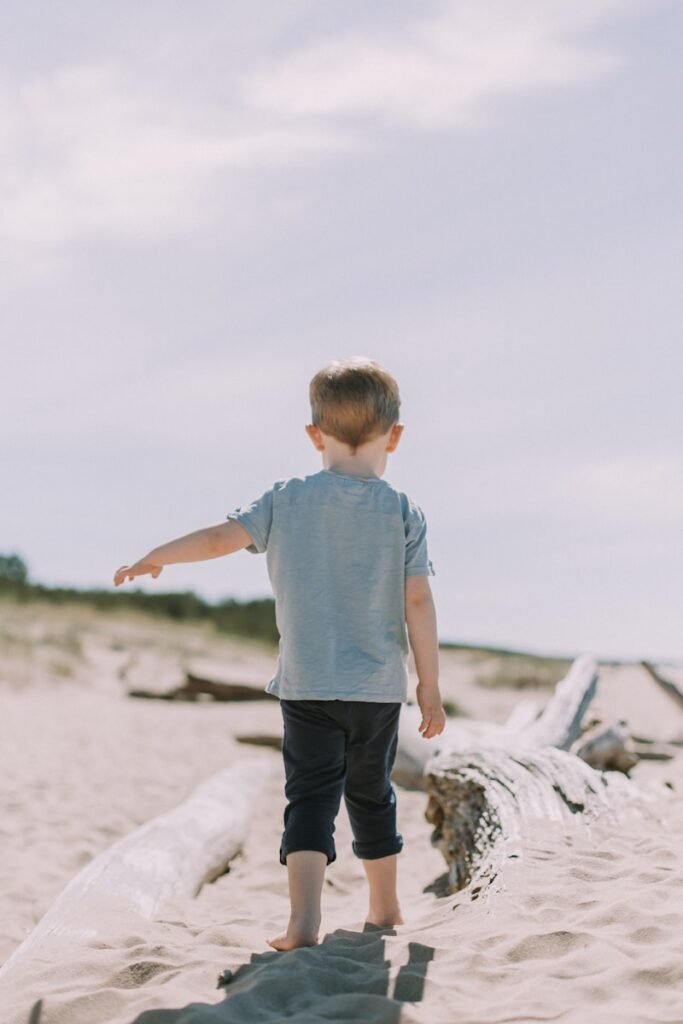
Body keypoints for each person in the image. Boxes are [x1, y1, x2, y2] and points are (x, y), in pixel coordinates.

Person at [114, 356, 446, 950]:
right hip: (376, 690)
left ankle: (302, 923)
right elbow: (417, 601)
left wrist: (157, 555)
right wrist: (428, 685)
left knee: (310, 797)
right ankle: (387, 908)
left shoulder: (286, 500)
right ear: (395, 435)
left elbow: (220, 537)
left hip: (307, 686)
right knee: (373, 794)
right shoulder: (403, 510)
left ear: (315, 434)